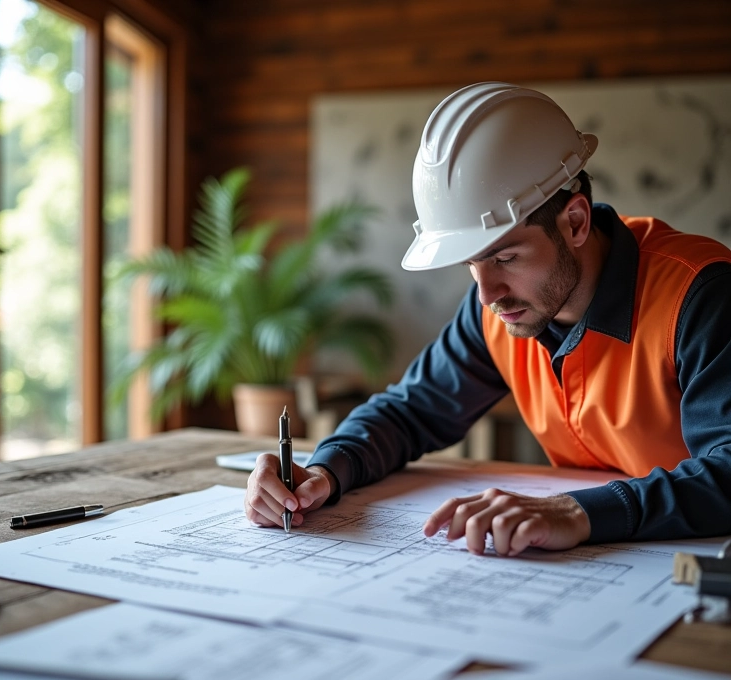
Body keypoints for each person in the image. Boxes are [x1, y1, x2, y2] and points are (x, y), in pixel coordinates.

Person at [244, 81, 731, 557]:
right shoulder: (502, 308)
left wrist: (577, 513)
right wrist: (324, 473)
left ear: (576, 222)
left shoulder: (701, 295)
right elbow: (409, 411)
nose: (487, 295)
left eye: (505, 258)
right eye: (470, 265)